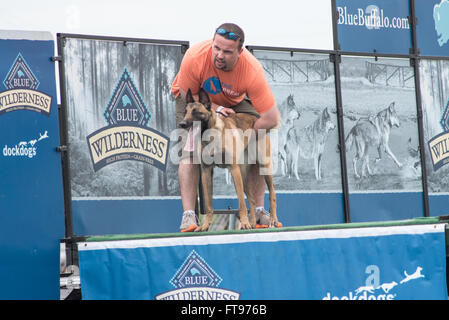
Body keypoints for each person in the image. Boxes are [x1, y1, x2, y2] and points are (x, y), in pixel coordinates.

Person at [171, 22, 281, 232]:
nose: (219, 55)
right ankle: (188, 215)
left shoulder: (252, 70)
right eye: (216, 48)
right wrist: (216, 108)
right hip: (196, 100)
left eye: (227, 51)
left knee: (256, 143)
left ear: (241, 52)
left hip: (234, 100)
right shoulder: (194, 57)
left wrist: (245, 142)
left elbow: (272, 118)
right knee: (191, 150)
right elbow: (191, 100)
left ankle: (257, 211)